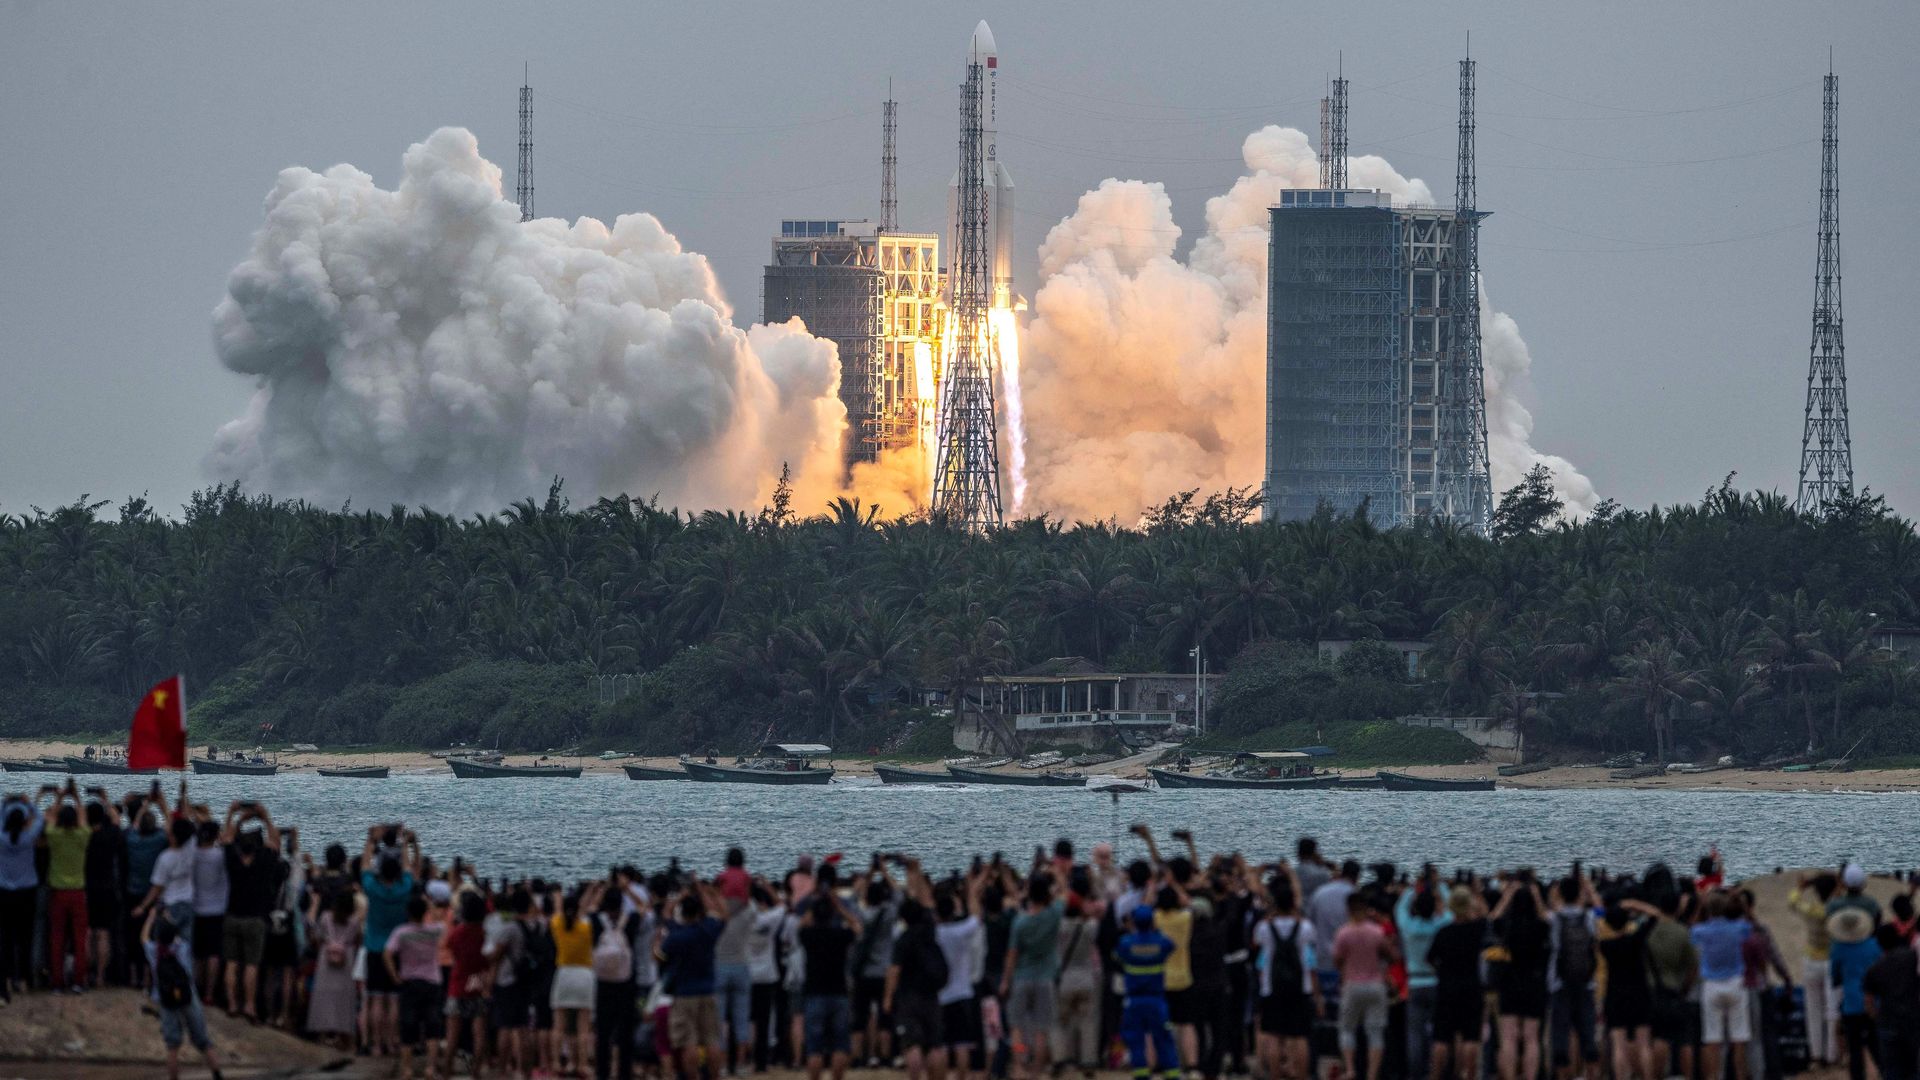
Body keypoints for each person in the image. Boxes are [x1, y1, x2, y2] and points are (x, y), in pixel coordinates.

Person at [143, 905, 225, 1080]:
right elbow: (178, 933)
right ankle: (217, 1073)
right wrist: (168, 917)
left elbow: (143, 938)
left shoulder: (153, 951)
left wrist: (151, 918)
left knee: (172, 1046)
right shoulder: (182, 948)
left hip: (165, 998)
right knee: (203, 1041)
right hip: (188, 995)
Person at [885, 859, 949, 1080]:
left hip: (908, 995)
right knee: (935, 1044)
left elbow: (894, 970)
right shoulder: (930, 928)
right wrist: (915, 871)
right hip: (930, 993)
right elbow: (926, 901)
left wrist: (888, 997)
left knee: (912, 1044)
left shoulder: (902, 938)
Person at [1251, 868, 1317, 1080]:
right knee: (1299, 1037)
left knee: (1274, 1036)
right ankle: (1301, 1075)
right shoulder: (1305, 927)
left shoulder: (1264, 928)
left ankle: (1276, 1075)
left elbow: (1256, 944)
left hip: (1272, 987)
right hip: (1300, 986)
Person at [220, 802, 283, 1020]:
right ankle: (249, 1006)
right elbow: (275, 842)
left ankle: (231, 1003)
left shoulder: (231, 860)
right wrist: (265, 816)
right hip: (255, 918)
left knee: (231, 963)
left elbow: (225, 838)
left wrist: (233, 814)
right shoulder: (264, 862)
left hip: (232, 915)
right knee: (251, 965)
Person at [363, 825, 421, 1058]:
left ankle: (377, 1044)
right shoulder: (404, 889)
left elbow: (365, 865)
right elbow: (408, 868)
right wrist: (406, 843)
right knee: (395, 1000)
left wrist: (370, 840)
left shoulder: (372, 888)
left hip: (374, 946)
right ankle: (394, 1042)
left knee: (376, 999)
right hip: (398, 948)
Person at [661, 877, 728, 1080]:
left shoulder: (676, 935)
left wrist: (680, 896)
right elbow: (724, 915)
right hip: (707, 990)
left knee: (688, 1043)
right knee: (711, 1040)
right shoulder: (707, 931)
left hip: (684, 993)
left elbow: (666, 914)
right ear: (700, 913)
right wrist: (706, 891)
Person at [1001, 868, 1064, 1080]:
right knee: (1041, 1031)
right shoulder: (1054, 914)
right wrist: (1055, 873)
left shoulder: (1021, 922)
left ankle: (1019, 1063)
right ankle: (1036, 1071)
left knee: (1017, 1027)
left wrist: (1005, 981)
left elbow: (1011, 955)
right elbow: (1064, 892)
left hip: (1022, 978)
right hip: (1045, 978)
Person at [1490, 875, 1551, 1080]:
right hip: (1533, 981)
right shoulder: (1538, 928)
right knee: (1532, 1037)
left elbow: (1493, 919)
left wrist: (1507, 894)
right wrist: (1536, 895)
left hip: (1510, 980)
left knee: (1508, 1038)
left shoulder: (1508, 928)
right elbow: (1545, 920)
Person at [1333, 890, 1397, 1080]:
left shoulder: (1344, 933)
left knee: (1347, 1029)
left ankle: (1351, 1069)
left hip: (1352, 984)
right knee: (1375, 1032)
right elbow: (1392, 956)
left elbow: (1337, 959)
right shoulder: (1376, 932)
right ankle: (1372, 1074)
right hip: (1375, 984)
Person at [1691, 891, 1755, 1080]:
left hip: (1711, 984)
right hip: (1735, 982)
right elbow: (1750, 925)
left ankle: (1714, 1077)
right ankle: (1740, 1076)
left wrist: (1700, 906)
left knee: (1713, 1039)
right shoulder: (1737, 928)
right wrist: (1741, 904)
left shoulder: (1701, 931)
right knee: (1739, 1038)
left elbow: (1692, 929)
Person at [1394, 871, 1451, 1080]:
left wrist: (1412, 889)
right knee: (1439, 1033)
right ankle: (1439, 1072)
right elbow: (1450, 913)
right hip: (1436, 981)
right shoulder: (1439, 926)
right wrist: (1441, 888)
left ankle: (1416, 1074)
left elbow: (1399, 909)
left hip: (1415, 982)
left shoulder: (1409, 927)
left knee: (1415, 1035)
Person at [800, 886, 860, 1080]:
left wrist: (815, 904)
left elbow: (801, 925)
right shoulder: (840, 935)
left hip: (814, 992)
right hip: (838, 992)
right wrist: (839, 907)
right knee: (840, 1044)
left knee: (814, 1048)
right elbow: (857, 927)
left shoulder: (809, 936)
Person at [1598, 899, 1661, 1080]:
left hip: (1615, 995)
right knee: (1643, 1043)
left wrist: (1610, 914)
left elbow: (1601, 925)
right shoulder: (1636, 940)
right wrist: (1634, 905)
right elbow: (1656, 915)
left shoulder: (1606, 946)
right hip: (1639, 993)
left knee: (1619, 1045)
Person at [386, 895, 447, 1080]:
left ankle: (407, 1069)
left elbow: (387, 953)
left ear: (408, 913)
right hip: (432, 982)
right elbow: (440, 919)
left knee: (408, 1027)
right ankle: (430, 1068)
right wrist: (430, 906)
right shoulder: (435, 930)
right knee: (433, 1027)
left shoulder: (401, 932)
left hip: (409, 982)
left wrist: (394, 974)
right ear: (425, 912)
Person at [1115, 904, 1179, 1080]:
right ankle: (1172, 1074)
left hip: (1134, 1001)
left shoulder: (1127, 943)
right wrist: (1155, 931)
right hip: (1156, 1000)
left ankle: (1141, 1075)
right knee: (1164, 1040)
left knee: (1136, 1040)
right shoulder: (1160, 942)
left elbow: (1117, 955)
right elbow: (1172, 945)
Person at [1428, 886, 1486, 1080]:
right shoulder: (1477, 930)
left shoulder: (1444, 933)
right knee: (1471, 1037)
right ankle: (1469, 1075)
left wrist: (1442, 972)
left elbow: (1430, 958)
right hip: (1471, 986)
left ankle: (1436, 1075)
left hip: (1446, 987)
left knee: (1441, 1038)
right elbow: (1487, 917)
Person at [1547, 875, 1600, 1080]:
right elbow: (1600, 911)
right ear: (1580, 894)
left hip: (1560, 982)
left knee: (1561, 1037)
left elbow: (1549, 908)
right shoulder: (1589, 917)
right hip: (1586, 981)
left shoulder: (1554, 918)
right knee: (1588, 1035)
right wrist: (1588, 889)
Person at [44, 780, 93, 992]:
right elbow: (83, 818)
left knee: (57, 940)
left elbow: (51, 818)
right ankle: (79, 982)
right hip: (78, 893)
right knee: (79, 940)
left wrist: (60, 797)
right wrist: (77, 796)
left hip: (58, 894)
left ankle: (57, 982)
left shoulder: (53, 836)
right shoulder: (82, 836)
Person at [1645, 889, 1699, 1080]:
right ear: (1677, 908)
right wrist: (1685, 987)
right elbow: (1693, 966)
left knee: (1660, 1037)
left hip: (1655, 991)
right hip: (1677, 989)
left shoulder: (1650, 932)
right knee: (1685, 1040)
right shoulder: (1682, 932)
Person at [1789, 871, 1842, 1065]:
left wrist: (1801, 888)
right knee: (1832, 1010)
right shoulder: (1836, 909)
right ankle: (1832, 1054)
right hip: (1830, 960)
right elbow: (1841, 897)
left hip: (1811, 959)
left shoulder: (1811, 910)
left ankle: (1816, 1055)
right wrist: (1838, 887)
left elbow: (1793, 902)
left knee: (1813, 1010)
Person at [590, 881, 641, 1080]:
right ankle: (624, 1073)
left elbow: (588, 909)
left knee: (603, 1035)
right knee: (625, 1035)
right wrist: (628, 890)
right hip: (626, 984)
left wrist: (596, 891)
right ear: (622, 903)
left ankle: (602, 1073)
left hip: (603, 983)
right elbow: (643, 908)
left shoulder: (596, 921)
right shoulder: (630, 921)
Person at [0, 790, 46, 1001]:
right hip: (27, 893)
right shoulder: (29, 837)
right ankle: (26, 980)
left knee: (7, 940)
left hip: (5, 893)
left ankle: (8, 978)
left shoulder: (2, 838)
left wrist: (5, 804)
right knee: (26, 938)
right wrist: (29, 804)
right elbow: (41, 819)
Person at [1829, 904, 1884, 1080]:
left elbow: (1835, 977)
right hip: (1872, 1004)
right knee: (1877, 1046)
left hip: (1851, 1005)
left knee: (1855, 1050)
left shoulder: (1838, 948)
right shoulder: (1874, 945)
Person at [1053, 891, 1102, 1080]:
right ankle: (1088, 1061)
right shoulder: (1090, 926)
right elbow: (1093, 918)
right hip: (1086, 978)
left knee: (1059, 1022)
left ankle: (1060, 1059)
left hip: (1064, 978)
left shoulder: (1058, 927)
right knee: (1088, 1022)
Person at [442, 892, 491, 1079]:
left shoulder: (458, 932)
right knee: (479, 1032)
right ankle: (476, 1072)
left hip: (458, 983)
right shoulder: (484, 933)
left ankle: (447, 1071)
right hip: (477, 982)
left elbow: (450, 947)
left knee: (452, 1034)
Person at [852, 874, 899, 1069]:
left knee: (859, 1018)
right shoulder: (889, 913)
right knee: (885, 1017)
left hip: (863, 972)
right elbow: (899, 896)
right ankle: (885, 1056)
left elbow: (852, 901)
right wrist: (885, 871)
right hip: (884, 972)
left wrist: (868, 875)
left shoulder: (862, 915)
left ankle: (857, 1057)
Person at [81, 788, 126, 989]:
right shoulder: (111, 836)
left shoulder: (82, 836)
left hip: (87, 888)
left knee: (88, 932)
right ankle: (99, 976)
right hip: (107, 888)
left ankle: (85, 974)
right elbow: (116, 821)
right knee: (103, 934)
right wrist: (106, 799)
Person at [1863, 923, 1920, 1080]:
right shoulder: (1912, 957)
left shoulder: (1874, 969)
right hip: (1912, 1021)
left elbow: (1868, 1002)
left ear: (1879, 943)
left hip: (1888, 1023)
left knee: (1892, 1071)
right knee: (1914, 1069)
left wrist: (1877, 1018)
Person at [550, 888, 596, 1077]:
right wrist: (593, 889)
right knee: (583, 1027)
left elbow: (559, 912)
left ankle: (556, 1063)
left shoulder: (557, 924)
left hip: (564, 974)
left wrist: (558, 896)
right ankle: (582, 1064)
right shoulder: (586, 926)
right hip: (584, 975)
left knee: (559, 1025)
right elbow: (583, 911)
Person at [309, 890, 362, 1049]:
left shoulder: (326, 917)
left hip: (326, 960)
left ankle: (322, 1035)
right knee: (344, 1000)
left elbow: (317, 937)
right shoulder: (354, 922)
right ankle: (344, 1037)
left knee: (324, 997)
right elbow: (358, 940)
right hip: (347, 962)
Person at [190, 815, 231, 998]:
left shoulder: (193, 854)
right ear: (216, 836)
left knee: (198, 953)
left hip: (197, 908)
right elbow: (228, 842)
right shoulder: (222, 855)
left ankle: (196, 989)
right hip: (218, 910)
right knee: (213, 953)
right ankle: (209, 993)